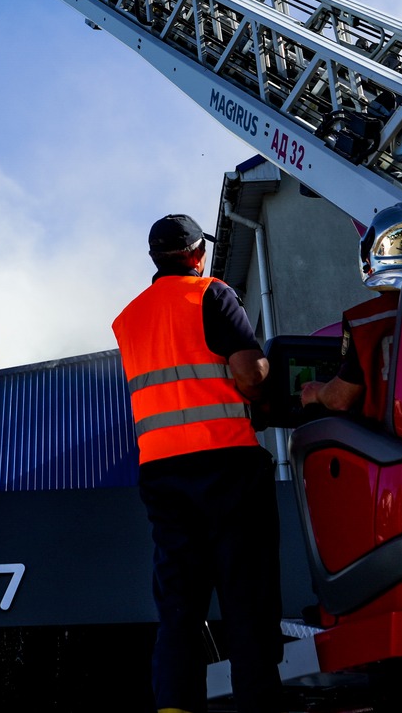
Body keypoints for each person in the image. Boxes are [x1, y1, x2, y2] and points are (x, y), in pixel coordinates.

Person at [113, 213, 282, 713]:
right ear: (196, 253)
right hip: (227, 465)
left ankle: (175, 708)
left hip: (163, 475)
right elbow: (249, 375)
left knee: (179, 609)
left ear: (154, 258)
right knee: (245, 601)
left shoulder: (128, 319)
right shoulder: (211, 294)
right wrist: (269, 370)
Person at [300, 204, 402, 418]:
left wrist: (316, 393)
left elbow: (340, 399)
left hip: (395, 442)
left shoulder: (364, 322)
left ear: (373, 250)